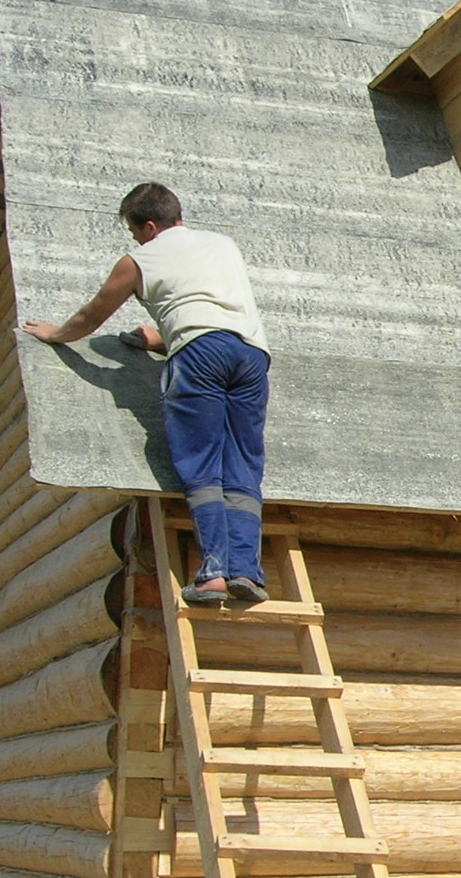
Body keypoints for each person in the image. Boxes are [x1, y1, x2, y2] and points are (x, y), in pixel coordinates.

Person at [21, 183, 272, 606]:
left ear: (150, 226)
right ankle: (247, 572)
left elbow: (91, 315)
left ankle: (214, 573)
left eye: (136, 232)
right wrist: (161, 336)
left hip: (199, 356)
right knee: (244, 465)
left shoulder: (138, 260)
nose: (135, 240)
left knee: (203, 464)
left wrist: (56, 334)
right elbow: (212, 304)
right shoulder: (221, 244)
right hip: (251, 355)